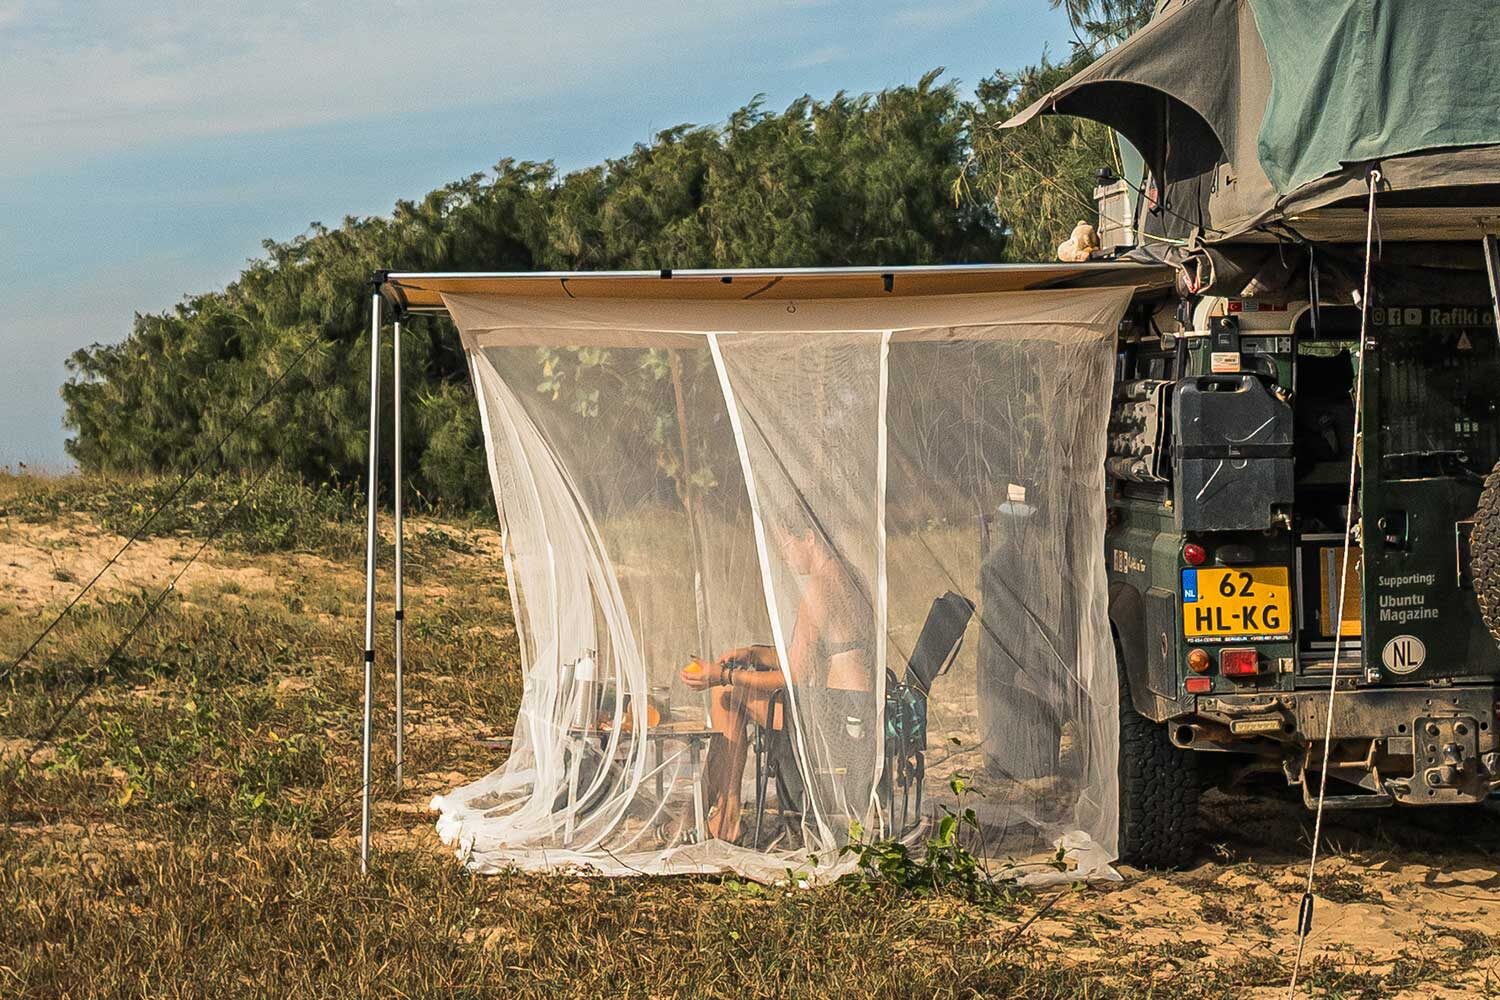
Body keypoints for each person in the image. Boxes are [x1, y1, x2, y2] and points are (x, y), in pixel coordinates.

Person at [680, 519, 875, 843]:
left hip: (834, 717)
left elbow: (793, 675)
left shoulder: (819, 588)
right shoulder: (848, 575)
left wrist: (723, 675)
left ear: (809, 538)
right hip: (854, 705)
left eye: (786, 545)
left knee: (726, 695)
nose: (784, 556)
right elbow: (808, 654)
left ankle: (724, 817)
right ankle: (721, 813)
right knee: (729, 693)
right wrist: (753, 654)